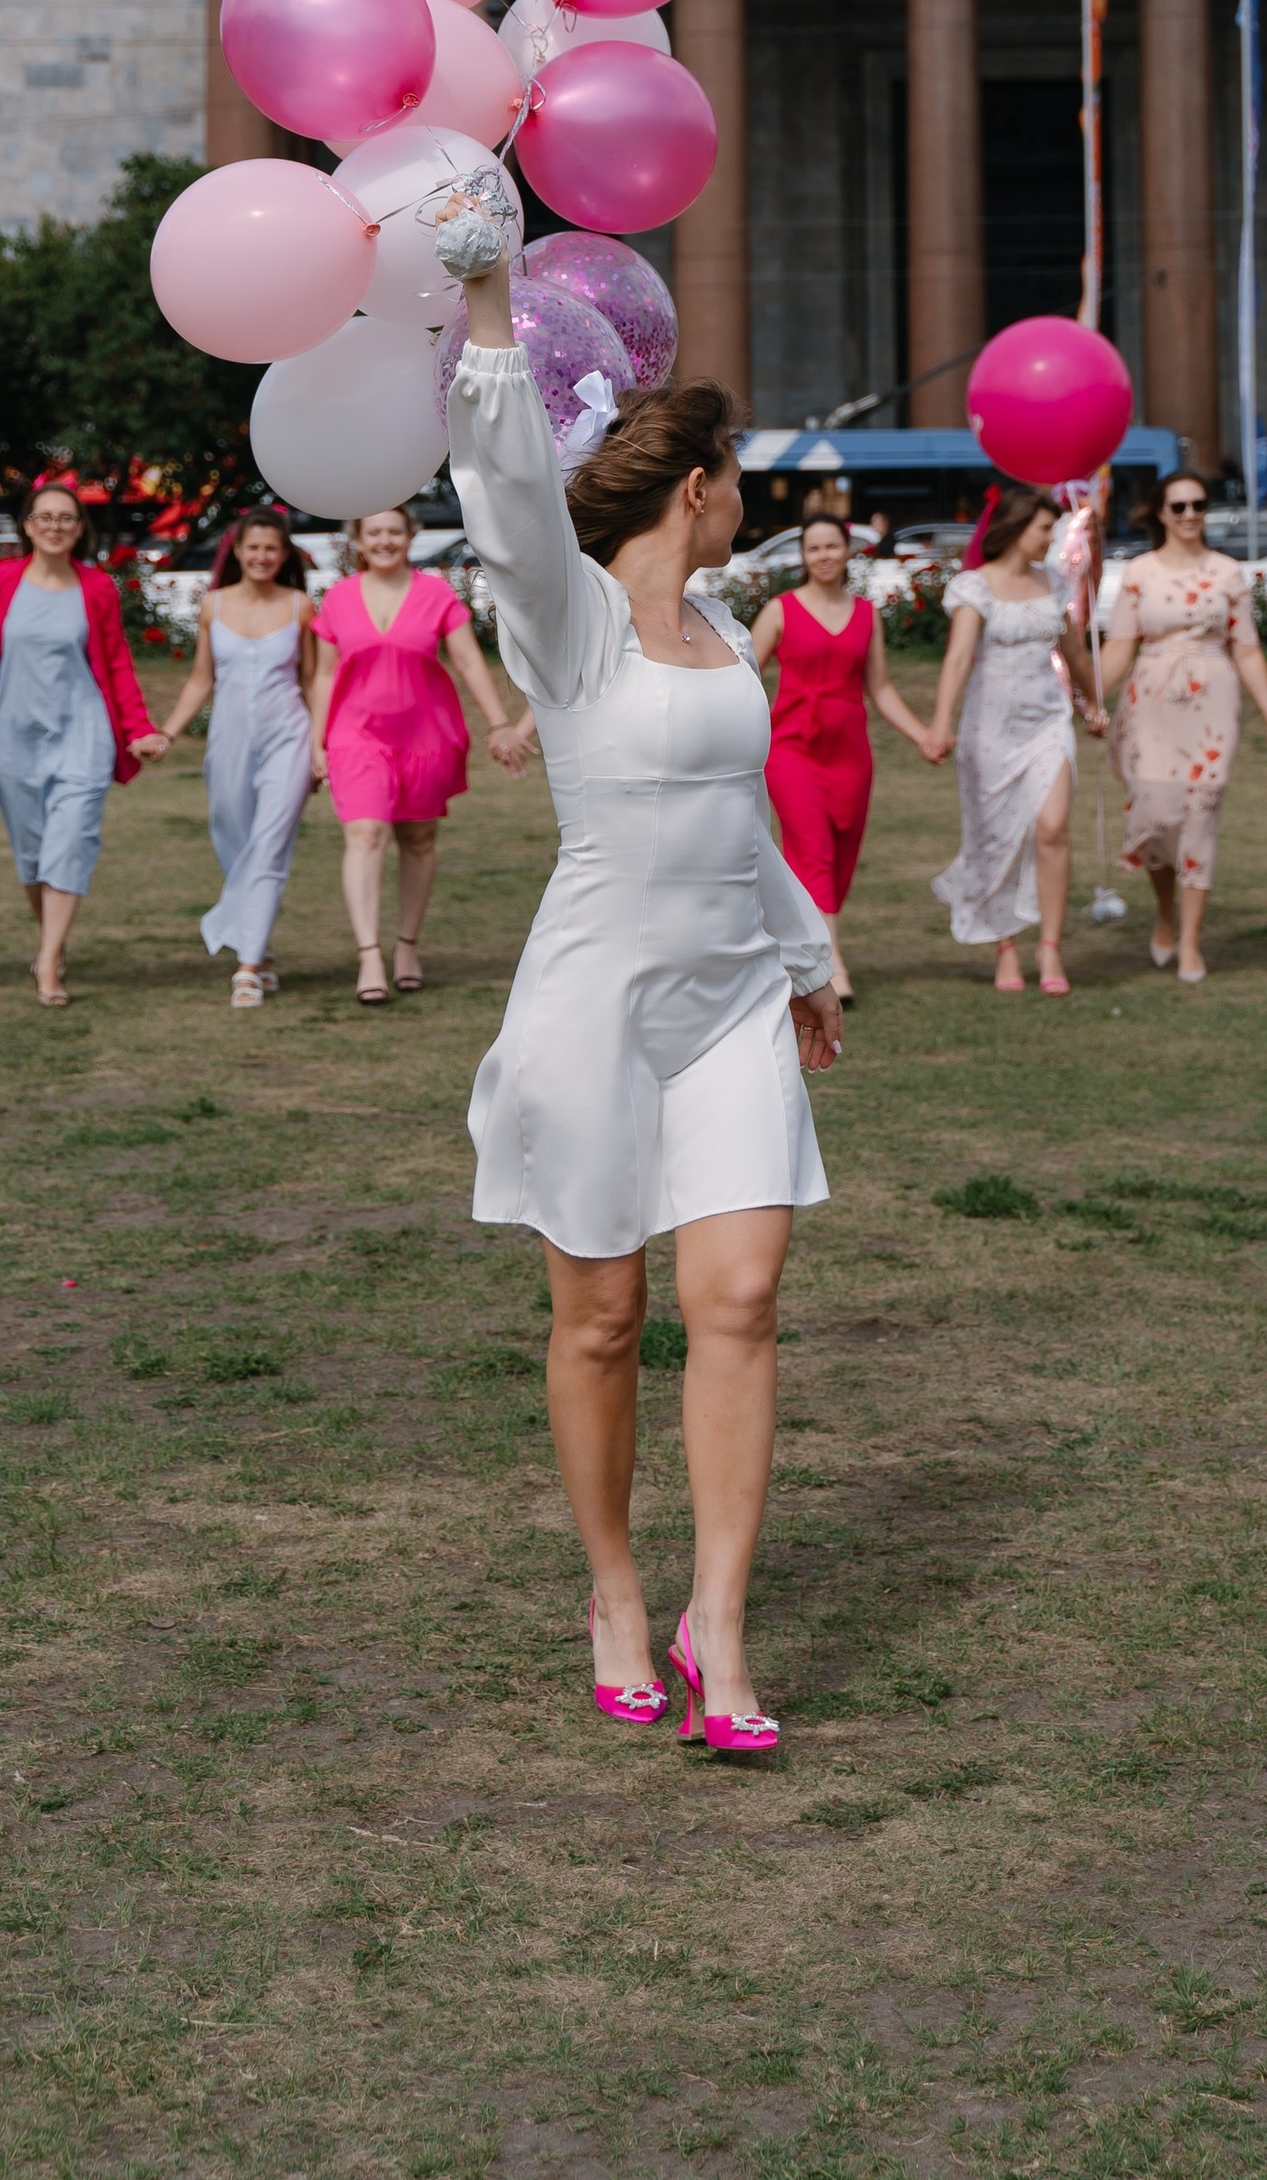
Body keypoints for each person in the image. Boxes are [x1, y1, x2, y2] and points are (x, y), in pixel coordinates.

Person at [443, 242, 842, 1758]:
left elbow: (739, 825)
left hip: (735, 998)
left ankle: (719, 1628)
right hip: (594, 1007)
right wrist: (489, 306)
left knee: (740, 1300)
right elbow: (498, 490)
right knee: (602, 1319)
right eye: (738, 475)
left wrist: (806, 963)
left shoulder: (726, 632)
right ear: (698, 490)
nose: (749, 500)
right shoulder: (571, 622)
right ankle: (616, 1593)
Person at [0, 479, 168, 1006]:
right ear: (27, 526)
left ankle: (47, 963)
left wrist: (138, 729)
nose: (55, 527)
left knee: (72, 841)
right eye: (45, 517)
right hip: (11, 736)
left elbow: (116, 663)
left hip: (82, 733)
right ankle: (53, 944)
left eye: (66, 518)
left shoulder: (97, 588)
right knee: (33, 855)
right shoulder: (1, 582)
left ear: (79, 528)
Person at [310, 506, 535, 1004]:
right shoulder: (339, 598)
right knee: (365, 834)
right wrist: (316, 739)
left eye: (395, 531)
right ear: (359, 540)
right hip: (356, 736)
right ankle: (369, 955)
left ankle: (407, 946)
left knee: (417, 839)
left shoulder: (436, 594)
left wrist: (499, 723)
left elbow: (469, 659)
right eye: (375, 532)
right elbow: (323, 674)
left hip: (425, 737)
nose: (385, 540)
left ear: (410, 537)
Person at [751, 513, 942, 1003]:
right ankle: (831, 964)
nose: (824, 556)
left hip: (850, 753)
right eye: (814, 548)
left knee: (840, 857)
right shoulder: (780, 610)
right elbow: (742, 677)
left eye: (832, 546)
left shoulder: (866, 613)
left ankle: (793, 947)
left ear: (847, 550)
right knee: (812, 850)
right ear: (803, 556)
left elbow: (879, 687)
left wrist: (923, 735)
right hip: (791, 749)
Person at [1098, 475, 1267, 983]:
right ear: (1160, 512)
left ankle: (1192, 942)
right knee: (1155, 810)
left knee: (1200, 808)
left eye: (1199, 504)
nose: (1189, 514)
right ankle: (1165, 914)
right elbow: (1118, 647)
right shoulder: (1138, 571)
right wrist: (1090, 699)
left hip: (1212, 699)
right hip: (1151, 697)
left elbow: (1246, 648)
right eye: (1178, 506)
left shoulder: (1228, 572)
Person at [927, 490, 1105, 997]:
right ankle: (1004, 945)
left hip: (1048, 722)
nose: (1051, 539)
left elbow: (1072, 649)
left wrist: (1094, 705)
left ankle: (1050, 946)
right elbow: (959, 659)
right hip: (990, 729)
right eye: (1043, 529)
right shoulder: (973, 586)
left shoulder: (1051, 581)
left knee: (1051, 827)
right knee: (996, 837)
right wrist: (941, 724)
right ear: (1014, 527)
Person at [152, 510, 319, 1007]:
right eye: (254, 548)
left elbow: (313, 680)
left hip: (289, 737)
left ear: (284, 555)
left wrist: (320, 748)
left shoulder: (300, 607)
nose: (263, 557)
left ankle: (246, 968)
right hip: (226, 740)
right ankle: (259, 946)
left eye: (272, 549)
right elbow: (201, 680)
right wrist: (167, 732)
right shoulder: (213, 606)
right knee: (233, 839)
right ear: (238, 552)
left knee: (268, 846)